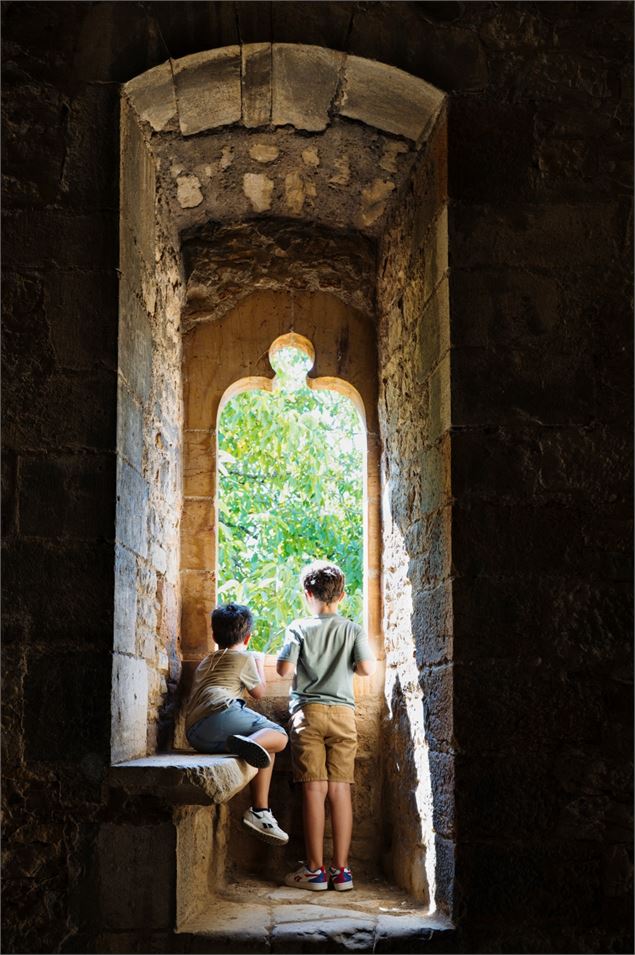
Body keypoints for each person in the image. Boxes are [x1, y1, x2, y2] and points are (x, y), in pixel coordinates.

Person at [276, 561, 376, 891]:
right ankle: (342, 871)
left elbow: (283, 669)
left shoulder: (299, 628)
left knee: (313, 789)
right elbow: (364, 668)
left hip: (309, 713)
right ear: (342, 596)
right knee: (340, 788)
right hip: (344, 715)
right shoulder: (353, 629)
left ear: (307, 594)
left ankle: (316, 870)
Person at [185, 602, 289, 846]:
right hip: (222, 714)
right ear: (248, 636)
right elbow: (259, 692)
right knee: (278, 736)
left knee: (264, 750)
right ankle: (259, 809)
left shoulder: (205, 661)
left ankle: (262, 813)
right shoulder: (243, 658)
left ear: (214, 635)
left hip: (196, 733)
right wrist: (259, 664)